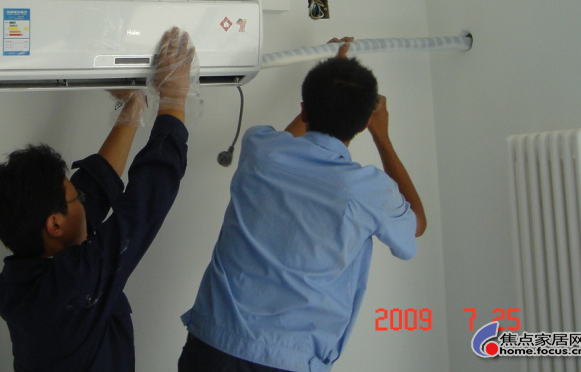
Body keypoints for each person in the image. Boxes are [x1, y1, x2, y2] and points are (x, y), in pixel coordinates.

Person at [179, 38, 426, 372]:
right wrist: (382, 136)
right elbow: (416, 226)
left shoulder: (260, 149)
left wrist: (329, 83)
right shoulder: (368, 191)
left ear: (304, 108)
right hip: (287, 361)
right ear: (366, 122)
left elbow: (288, 141)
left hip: (212, 346)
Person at [0, 27, 196, 372]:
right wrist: (174, 100)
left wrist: (134, 104)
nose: (85, 198)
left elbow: (95, 187)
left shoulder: (18, 281)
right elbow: (146, 201)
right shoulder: (72, 286)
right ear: (54, 224)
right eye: (75, 196)